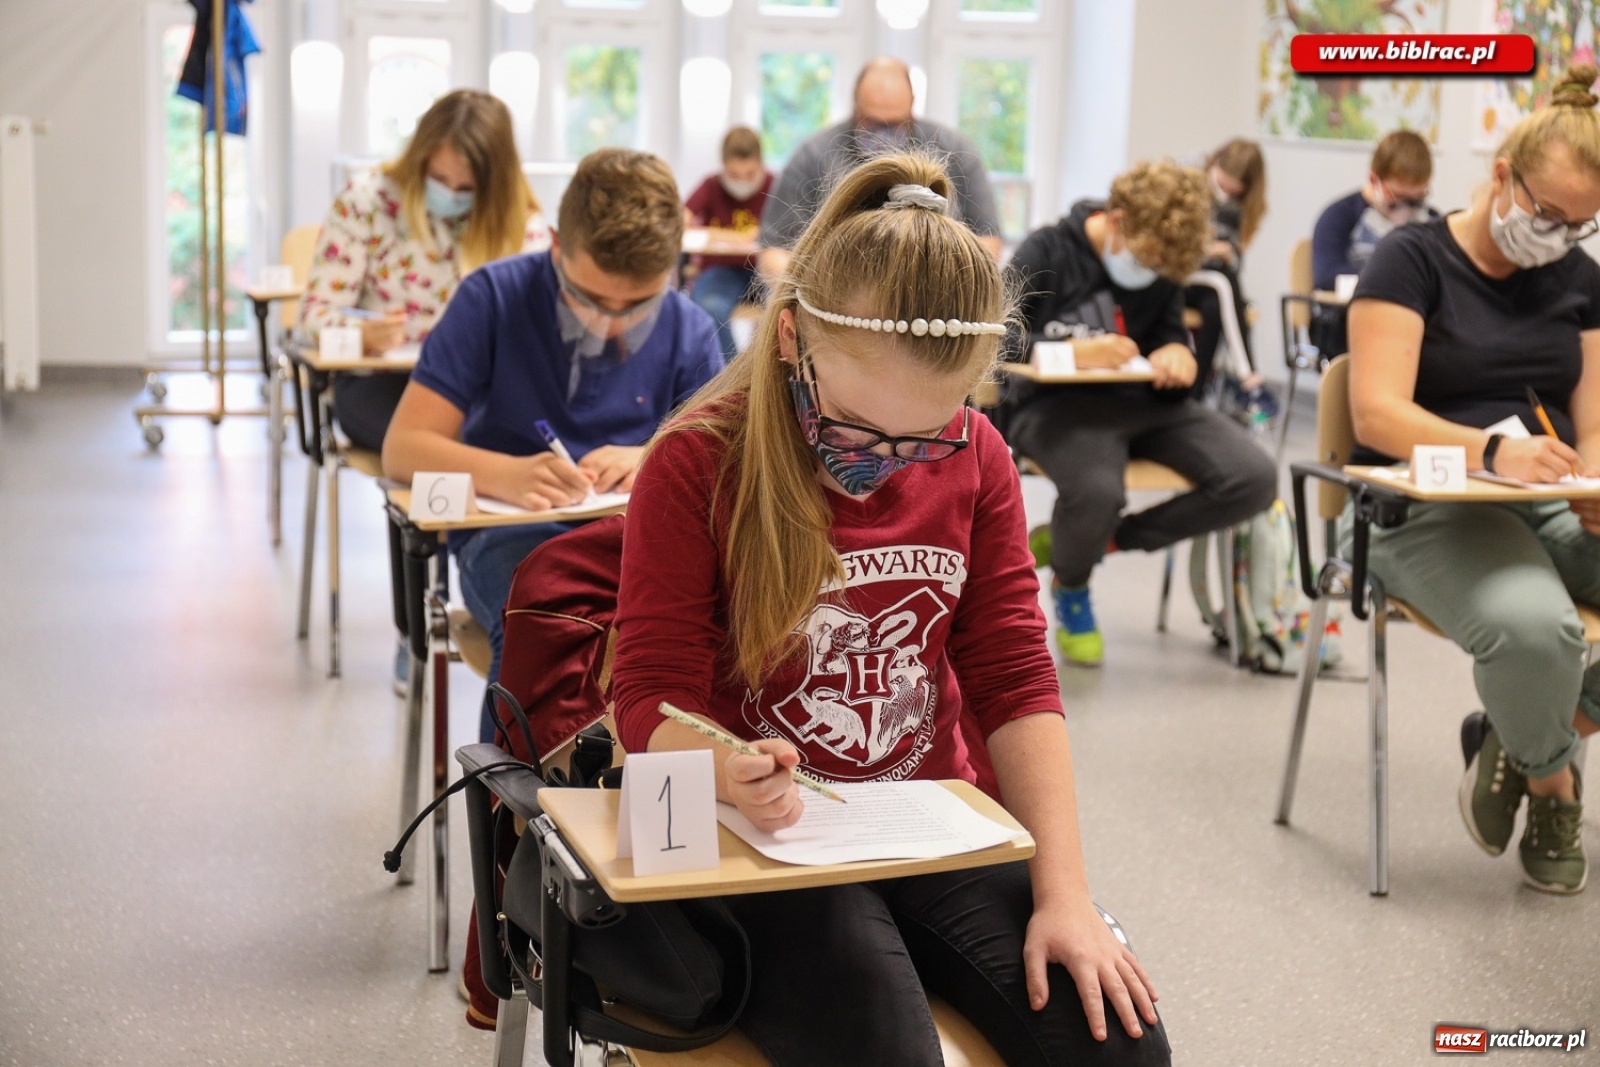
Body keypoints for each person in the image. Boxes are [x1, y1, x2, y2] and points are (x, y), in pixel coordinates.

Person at [611, 152, 1170, 1067]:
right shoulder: (698, 461)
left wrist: (1065, 891)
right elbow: (647, 696)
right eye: (856, 429)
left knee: (1120, 1048)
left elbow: (1015, 676)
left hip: (924, 815)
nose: (881, 463)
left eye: (922, 438)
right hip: (763, 836)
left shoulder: (978, 453)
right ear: (789, 340)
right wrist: (725, 768)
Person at [1344, 64, 1600, 895]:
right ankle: (1553, 784)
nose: (1558, 236)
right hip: (1417, 505)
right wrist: (1493, 453)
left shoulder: (1580, 281)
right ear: (1501, 175)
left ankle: (1515, 739)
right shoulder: (1410, 257)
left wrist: (1592, 480)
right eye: (1547, 213)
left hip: (1544, 501)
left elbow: (1594, 422)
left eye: (1581, 225)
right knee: (1539, 633)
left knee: (1544, 637)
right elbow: (1376, 413)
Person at [382, 147, 724, 740]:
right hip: (507, 535)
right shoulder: (492, 298)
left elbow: (722, 467)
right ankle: (511, 792)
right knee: (546, 617)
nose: (610, 323)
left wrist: (652, 459)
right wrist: (505, 474)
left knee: (682, 636)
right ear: (557, 246)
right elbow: (404, 446)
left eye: (638, 305)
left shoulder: (688, 329)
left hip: (637, 540)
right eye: (588, 298)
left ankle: (636, 790)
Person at [1004, 160, 1277, 667]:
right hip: (1056, 408)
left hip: (1144, 405)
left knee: (1254, 478)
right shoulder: (1048, 249)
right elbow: (993, 338)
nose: (1149, 272)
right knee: (1097, 492)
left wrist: (1177, 354)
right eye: (1147, 260)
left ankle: (1089, 544)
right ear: (1117, 222)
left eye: (1161, 268)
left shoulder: (1162, 269)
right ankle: (1073, 584)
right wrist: (1070, 353)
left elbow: (1169, 335)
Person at [299, 89, 550, 452]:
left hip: (481, 389)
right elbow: (312, 316)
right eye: (439, 178)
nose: (450, 193)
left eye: (466, 188)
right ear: (420, 158)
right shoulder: (367, 201)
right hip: (385, 382)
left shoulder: (518, 223)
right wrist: (364, 335)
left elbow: (541, 325)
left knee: (521, 435)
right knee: (444, 445)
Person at [757, 56, 1001, 283]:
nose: (883, 133)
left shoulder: (954, 152)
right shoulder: (814, 156)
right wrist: (820, 292)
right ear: (855, 104)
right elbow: (773, 252)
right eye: (872, 122)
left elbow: (988, 243)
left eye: (895, 123)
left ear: (912, 105)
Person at [1309, 129, 1437, 359]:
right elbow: (1327, 275)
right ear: (1373, 180)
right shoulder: (1339, 216)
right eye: (1397, 199)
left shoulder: (1431, 221)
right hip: (1351, 325)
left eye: (1416, 200)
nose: (1407, 210)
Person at [1181, 139, 1267, 397]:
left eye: (1233, 190)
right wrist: (1205, 249)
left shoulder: (1239, 207)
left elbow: (1237, 262)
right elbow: (1170, 247)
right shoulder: (1186, 180)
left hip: (1206, 282)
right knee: (1223, 281)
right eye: (1221, 184)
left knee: (1215, 305)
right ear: (1214, 164)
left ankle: (1195, 393)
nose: (1225, 193)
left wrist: (1227, 253)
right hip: (1175, 274)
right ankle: (1247, 375)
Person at [684, 126, 774, 360]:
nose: (742, 181)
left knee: (787, 308)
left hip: (764, 270)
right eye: (734, 175)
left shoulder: (776, 185)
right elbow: (681, 220)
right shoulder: (711, 185)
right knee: (710, 307)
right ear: (723, 167)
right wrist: (726, 236)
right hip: (721, 270)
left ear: (761, 164)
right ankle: (732, 374)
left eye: (750, 174)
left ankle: (765, 371)